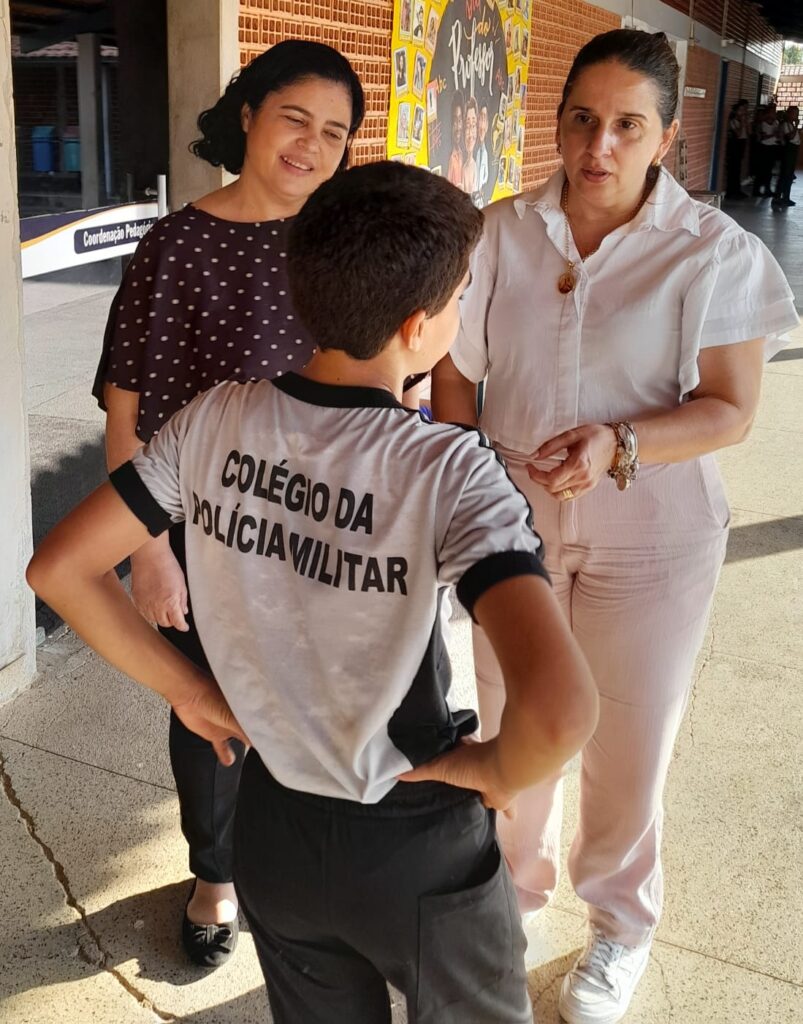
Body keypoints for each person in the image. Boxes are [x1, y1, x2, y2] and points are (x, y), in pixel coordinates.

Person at [28, 161, 600, 1024]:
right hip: (413, 833)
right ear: (419, 327)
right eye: (456, 302)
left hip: (272, 830)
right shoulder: (445, 470)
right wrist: (488, 767)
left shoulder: (214, 418)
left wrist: (189, 691)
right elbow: (559, 712)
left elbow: (59, 571)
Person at [431, 29, 797, 1024]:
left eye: (625, 124)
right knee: (520, 725)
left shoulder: (712, 253)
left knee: (626, 744)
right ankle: (510, 895)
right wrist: (463, 478)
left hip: (653, 535)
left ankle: (620, 924)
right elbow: (455, 373)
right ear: (556, 122)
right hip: (515, 525)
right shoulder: (497, 232)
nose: (597, 144)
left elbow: (728, 407)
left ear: (666, 135)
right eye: (580, 119)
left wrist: (617, 445)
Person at [91, 40, 365, 968]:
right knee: (211, 711)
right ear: (247, 115)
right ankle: (216, 873)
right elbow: (128, 401)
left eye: (334, 132)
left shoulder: (342, 240)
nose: (311, 146)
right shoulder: (180, 243)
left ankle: (296, 860)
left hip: (323, 528)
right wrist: (147, 550)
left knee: (318, 703)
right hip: (207, 532)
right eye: (295, 118)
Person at [773, 105, 800, 207]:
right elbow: (790, 137)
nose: (796, 116)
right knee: (785, 175)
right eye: (794, 114)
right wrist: (796, 126)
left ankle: (786, 197)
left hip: (793, 151)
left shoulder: (791, 124)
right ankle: (778, 197)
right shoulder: (785, 124)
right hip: (788, 151)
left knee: (789, 176)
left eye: (797, 114)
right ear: (788, 114)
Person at [753, 104, 782, 197]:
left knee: (769, 171)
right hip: (764, 147)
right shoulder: (763, 123)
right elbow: (763, 137)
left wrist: (777, 134)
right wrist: (773, 134)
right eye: (773, 112)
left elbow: (778, 135)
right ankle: (756, 190)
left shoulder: (776, 123)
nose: (774, 114)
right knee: (761, 170)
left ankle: (767, 189)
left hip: (772, 147)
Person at [724, 98, 749, 200]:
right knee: (733, 169)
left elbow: (749, 132)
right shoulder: (733, 121)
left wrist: (746, 123)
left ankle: (737, 190)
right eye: (741, 110)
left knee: (738, 169)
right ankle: (731, 192)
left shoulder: (742, 121)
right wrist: (742, 123)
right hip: (734, 146)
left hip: (741, 145)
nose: (743, 112)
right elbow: (738, 134)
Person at [447, 92, 465, 186]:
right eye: (455, 121)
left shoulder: (463, 154)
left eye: (459, 120)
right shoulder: (449, 158)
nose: (458, 127)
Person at [462, 96, 479, 194]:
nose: (470, 133)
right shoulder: (463, 166)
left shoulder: (474, 166)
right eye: (468, 126)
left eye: (473, 126)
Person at [477, 104, 490, 194]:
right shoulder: (470, 149)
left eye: (484, 119)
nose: (482, 123)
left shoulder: (486, 152)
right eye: (480, 118)